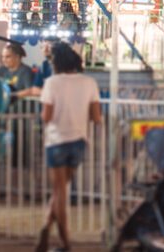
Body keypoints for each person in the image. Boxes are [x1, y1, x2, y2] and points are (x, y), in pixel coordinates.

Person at [37, 43, 101, 252]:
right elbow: (96, 117)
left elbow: (46, 116)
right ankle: (46, 228)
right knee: (60, 191)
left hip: (56, 142)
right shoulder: (89, 82)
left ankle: (65, 243)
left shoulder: (52, 83)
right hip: (79, 141)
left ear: (56, 62)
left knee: (59, 194)